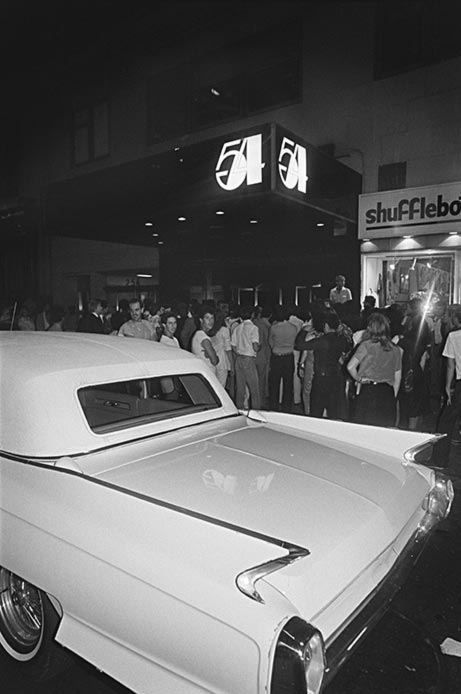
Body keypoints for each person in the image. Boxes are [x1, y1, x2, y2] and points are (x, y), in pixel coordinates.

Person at [347, 313, 402, 427]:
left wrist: (359, 379)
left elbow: (350, 367)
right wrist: (393, 396)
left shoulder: (366, 346)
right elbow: (397, 377)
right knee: (383, 429)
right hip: (387, 392)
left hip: (369, 391)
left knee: (365, 429)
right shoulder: (396, 349)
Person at [295, 309, 349, 419]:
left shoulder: (323, 341)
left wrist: (304, 331)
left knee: (316, 410)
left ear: (326, 325)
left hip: (321, 378)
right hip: (335, 376)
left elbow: (300, 345)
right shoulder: (341, 339)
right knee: (333, 411)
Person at [397, 297, 431, 430]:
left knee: (406, 403)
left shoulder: (404, 342)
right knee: (416, 403)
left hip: (406, 369)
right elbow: (424, 358)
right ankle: (413, 430)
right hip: (417, 370)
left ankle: (405, 429)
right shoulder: (422, 338)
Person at [436, 306, 461, 464]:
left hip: (459, 382)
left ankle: (440, 458)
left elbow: (450, 365)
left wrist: (447, 385)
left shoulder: (453, 336)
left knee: (446, 421)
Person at [268, 304, 298, 413]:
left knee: (274, 384)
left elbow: (270, 341)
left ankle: (273, 407)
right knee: (288, 384)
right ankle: (287, 408)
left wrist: (276, 347)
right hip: (289, 356)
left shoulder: (274, 328)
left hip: (277, 356)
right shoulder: (294, 328)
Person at [231, 305, 260, 409]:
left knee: (240, 389)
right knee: (254, 390)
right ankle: (256, 411)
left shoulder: (237, 328)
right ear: (252, 315)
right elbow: (255, 347)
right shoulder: (253, 328)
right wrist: (259, 348)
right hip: (249, 359)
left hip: (239, 359)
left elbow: (233, 345)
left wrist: (240, 352)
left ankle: (239, 409)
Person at [191, 305, 219, 374]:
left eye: (212, 318)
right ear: (201, 320)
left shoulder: (198, 334)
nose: (210, 321)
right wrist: (216, 356)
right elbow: (215, 361)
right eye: (207, 318)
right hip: (208, 373)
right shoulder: (202, 337)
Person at [210, 311, 233, 388]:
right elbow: (228, 349)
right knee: (221, 386)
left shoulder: (209, 329)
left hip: (211, 359)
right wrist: (232, 365)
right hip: (222, 360)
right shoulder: (224, 330)